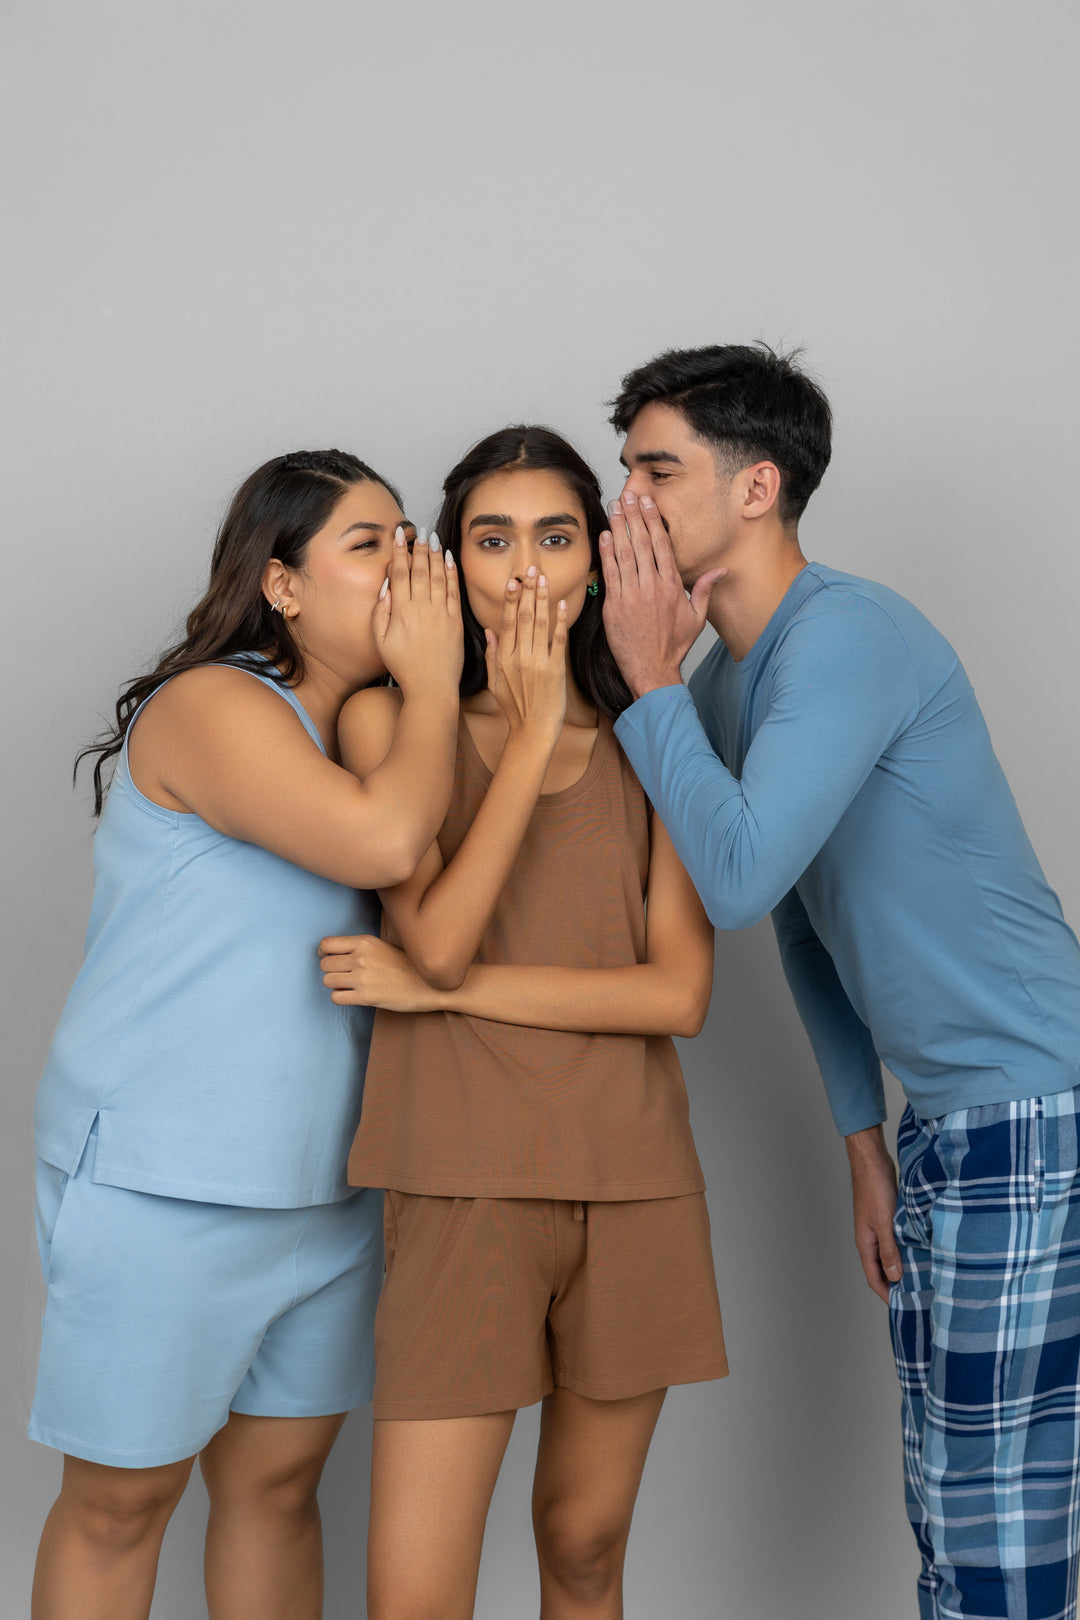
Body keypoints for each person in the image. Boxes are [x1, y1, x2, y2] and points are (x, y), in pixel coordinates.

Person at [596, 343, 1080, 1620]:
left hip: (1036, 1108)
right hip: (948, 1122)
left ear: (757, 488)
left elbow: (743, 875)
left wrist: (646, 679)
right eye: (626, 470)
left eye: (656, 470)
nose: (625, 504)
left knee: (995, 1512)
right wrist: (863, 1139)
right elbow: (800, 926)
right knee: (946, 1493)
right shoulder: (723, 684)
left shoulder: (847, 633)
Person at [28, 449, 463, 1620]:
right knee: (122, 1505)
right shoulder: (217, 704)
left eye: (407, 540)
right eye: (367, 546)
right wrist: (436, 685)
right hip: (167, 1186)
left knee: (278, 1491)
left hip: (324, 1188)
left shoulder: (377, 736)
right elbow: (384, 849)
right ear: (281, 584)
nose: (404, 569)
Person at [319, 425, 727, 1620]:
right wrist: (532, 727)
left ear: (597, 561)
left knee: (587, 1552)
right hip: (460, 1185)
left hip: (637, 1183)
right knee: (416, 1592)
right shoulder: (390, 728)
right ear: (448, 567)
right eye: (491, 540)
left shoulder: (660, 747)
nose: (526, 568)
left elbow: (678, 997)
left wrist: (445, 993)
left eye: (555, 535)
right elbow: (436, 930)